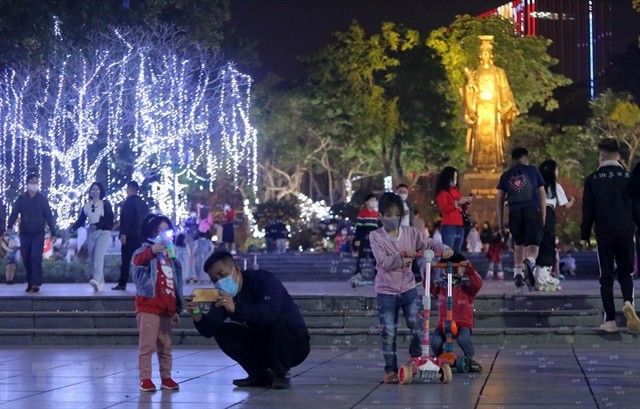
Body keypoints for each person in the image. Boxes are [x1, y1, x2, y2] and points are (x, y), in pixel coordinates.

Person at [185, 251, 310, 389]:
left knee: (279, 321)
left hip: (294, 343)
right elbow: (209, 330)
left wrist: (235, 308)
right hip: (263, 343)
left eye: (222, 275)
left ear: (236, 270)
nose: (220, 282)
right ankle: (259, 375)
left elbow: (268, 314)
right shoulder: (223, 296)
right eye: (214, 279)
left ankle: (281, 374)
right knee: (223, 331)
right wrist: (196, 313)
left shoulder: (264, 280)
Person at [368, 192, 453, 384]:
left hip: (408, 288)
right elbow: (382, 262)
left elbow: (430, 243)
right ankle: (390, 369)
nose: (392, 219)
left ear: (401, 215)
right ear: (380, 216)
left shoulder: (411, 233)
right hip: (386, 291)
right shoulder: (376, 237)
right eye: (388, 215)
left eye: (396, 215)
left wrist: (444, 248)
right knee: (388, 331)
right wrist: (402, 255)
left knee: (418, 324)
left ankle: (416, 359)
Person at [580, 138, 640, 333]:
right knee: (626, 273)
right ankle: (628, 302)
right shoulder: (629, 177)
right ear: (619, 156)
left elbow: (588, 211)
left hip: (604, 233)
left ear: (601, 156)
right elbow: (636, 207)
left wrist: (585, 235)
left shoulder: (592, 180)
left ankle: (610, 319)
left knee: (606, 276)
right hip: (626, 230)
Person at [132, 214, 184, 392]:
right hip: (148, 306)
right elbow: (137, 263)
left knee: (166, 346)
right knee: (147, 345)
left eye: (166, 230)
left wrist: (176, 306)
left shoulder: (171, 257)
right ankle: (145, 378)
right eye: (158, 230)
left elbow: (174, 284)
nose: (163, 234)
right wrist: (152, 251)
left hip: (165, 308)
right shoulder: (144, 252)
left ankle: (166, 377)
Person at [461, 35, 518, 172]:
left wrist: (510, 105)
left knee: (493, 136)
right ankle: (478, 165)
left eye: (488, 53)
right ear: (480, 55)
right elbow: (467, 91)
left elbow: (505, 90)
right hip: (480, 108)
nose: (485, 55)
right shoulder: (475, 73)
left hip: (494, 109)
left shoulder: (499, 72)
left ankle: (494, 165)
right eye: (483, 53)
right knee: (479, 137)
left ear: (491, 55)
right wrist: (469, 86)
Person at [496, 147, 546, 292]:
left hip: (514, 212)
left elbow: (499, 200)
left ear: (513, 160)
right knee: (533, 243)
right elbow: (542, 194)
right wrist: (543, 216)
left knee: (519, 243)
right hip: (532, 210)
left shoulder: (505, 175)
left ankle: (517, 272)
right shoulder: (533, 170)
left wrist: (501, 225)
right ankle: (529, 261)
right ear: (525, 157)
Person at [430, 252, 483, 372]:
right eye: (447, 268)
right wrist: (430, 270)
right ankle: (441, 358)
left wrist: (469, 269)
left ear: (462, 269)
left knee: (463, 339)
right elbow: (428, 286)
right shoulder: (441, 286)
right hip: (444, 323)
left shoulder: (467, 286)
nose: (451, 270)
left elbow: (478, 284)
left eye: (455, 268)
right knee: (435, 342)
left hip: (463, 322)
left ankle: (472, 359)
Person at [6, 174, 57, 293]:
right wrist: (9, 226)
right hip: (24, 233)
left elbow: (49, 216)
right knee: (27, 258)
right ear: (28, 183)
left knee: (35, 256)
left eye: (36, 182)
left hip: (38, 233)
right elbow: (14, 213)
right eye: (32, 182)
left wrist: (53, 233)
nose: (34, 184)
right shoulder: (21, 200)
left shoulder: (42, 200)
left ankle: (36, 282)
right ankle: (30, 282)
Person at [535, 160, 575, 291]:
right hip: (549, 214)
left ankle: (536, 275)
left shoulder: (536, 185)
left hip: (535, 214)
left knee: (536, 244)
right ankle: (544, 276)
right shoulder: (555, 186)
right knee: (548, 243)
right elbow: (566, 205)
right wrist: (572, 200)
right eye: (556, 169)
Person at [70, 182, 114, 292]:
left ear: (101, 191)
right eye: (93, 189)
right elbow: (81, 220)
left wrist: (98, 225)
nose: (95, 191)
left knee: (98, 257)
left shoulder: (105, 204)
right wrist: (72, 228)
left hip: (103, 233)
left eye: (97, 189)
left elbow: (110, 220)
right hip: (91, 233)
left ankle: (96, 279)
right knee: (93, 258)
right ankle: (100, 283)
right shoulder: (87, 206)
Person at [114, 181, 149, 291]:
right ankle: (143, 282)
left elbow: (126, 219)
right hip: (141, 237)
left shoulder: (128, 202)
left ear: (129, 189)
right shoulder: (143, 204)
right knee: (142, 260)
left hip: (129, 236)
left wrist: (123, 233)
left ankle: (122, 283)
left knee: (126, 260)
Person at [435, 166, 473, 252]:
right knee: (449, 251)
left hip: (460, 225)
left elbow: (461, 209)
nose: (455, 179)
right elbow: (444, 209)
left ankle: (455, 265)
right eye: (454, 177)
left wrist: (467, 202)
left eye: (456, 177)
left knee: (457, 251)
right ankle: (447, 265)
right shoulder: (442, 193)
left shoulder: (456, 191)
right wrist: (458, 202)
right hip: (449, 225)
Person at [351, 194, 380, 283]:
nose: (373, 202)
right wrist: (357, 239)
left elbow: (377, 228)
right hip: (364, 239)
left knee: (375, 258)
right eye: (371, 200)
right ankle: (358, 274)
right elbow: (359, 228)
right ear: (366, 202)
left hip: (373, 241)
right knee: (361, 257)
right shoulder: (362, 213)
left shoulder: (376, 214)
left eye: (375, 200)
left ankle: (377, 275)